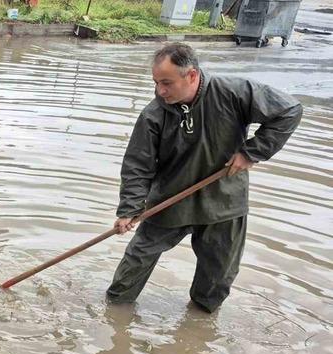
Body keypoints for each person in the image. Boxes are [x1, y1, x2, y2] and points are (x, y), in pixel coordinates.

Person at [106, 43, 302, 312]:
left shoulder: (234, 93)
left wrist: (252, 152)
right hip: (170, 200)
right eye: (156, 83)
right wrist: (129, 209)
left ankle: (198, 326)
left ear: (192, 75)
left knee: (217, 274)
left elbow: (288, 111)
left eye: (167, 83)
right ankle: (115, 309)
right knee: (137, 259)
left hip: (224, 200)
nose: (160, 91)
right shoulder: (154, 114)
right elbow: (138, 166)